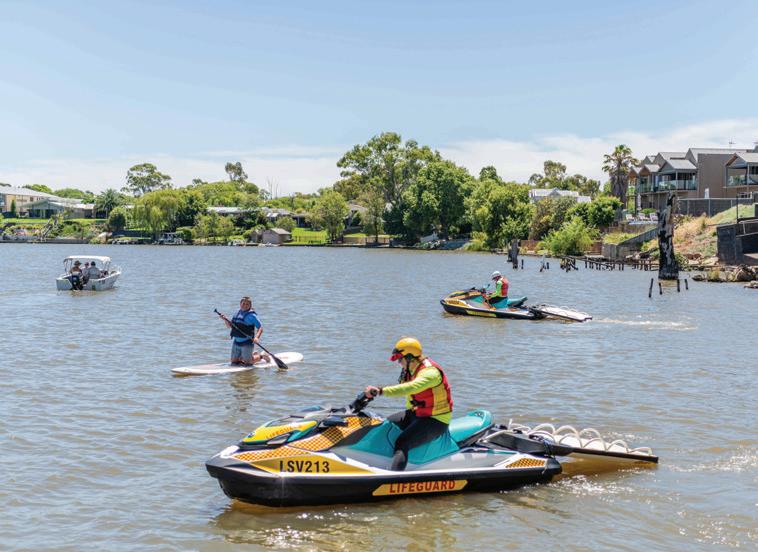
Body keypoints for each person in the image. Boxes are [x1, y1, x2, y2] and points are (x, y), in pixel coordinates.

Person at [364, 338, 453, 471]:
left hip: (435, 420)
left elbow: (411, 388)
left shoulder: (430, 372)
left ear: (410, 357)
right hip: (416, 414)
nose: (399, 363)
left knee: (402, 442)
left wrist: (380, 391)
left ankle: (394, 477)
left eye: (400, 359)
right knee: (386, 425)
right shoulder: (411, 369)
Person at [220, 296, 269, 366]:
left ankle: (262, 356)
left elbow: (260, 328)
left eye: (247, 304)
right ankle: (252, 354)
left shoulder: (252, 316)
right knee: (234, 362)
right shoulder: (237, 313)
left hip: (247, 342)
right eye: (243, 303)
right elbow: (230, 326)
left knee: (248, 363)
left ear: (250, 305)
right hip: (236, 342)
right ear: (240, 304)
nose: (245, 305)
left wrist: (257, 337)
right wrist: (225, 320)